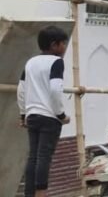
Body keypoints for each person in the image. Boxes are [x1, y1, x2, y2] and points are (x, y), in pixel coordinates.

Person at [17, 26, 70, 197]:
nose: (64, 48)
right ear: (54, 45)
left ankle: (29, 193)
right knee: (44, 157)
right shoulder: (56, 62)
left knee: (33, 156)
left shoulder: (30, 62)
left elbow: (21, 89)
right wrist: (61, 115)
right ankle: (41, 193)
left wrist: (23, 114)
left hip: (32, 115)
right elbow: (55, 89)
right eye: (63, 44)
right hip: (49, 117)